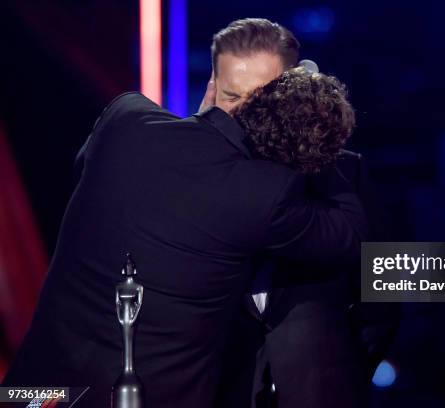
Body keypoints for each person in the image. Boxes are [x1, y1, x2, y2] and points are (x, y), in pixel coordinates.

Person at [1, 58, 365, 408]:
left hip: (36, 396)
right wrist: (326, 151)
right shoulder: (263, 198)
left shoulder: (125, 119)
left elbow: (81, 185)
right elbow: (349, 238)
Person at [206, 18, 401, 408]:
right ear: (210, 91)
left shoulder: (346, 173)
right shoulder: (190, 176)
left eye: (260, 100)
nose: (245, 117)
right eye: (231, 97)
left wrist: (344, 370)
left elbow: (382, 297)